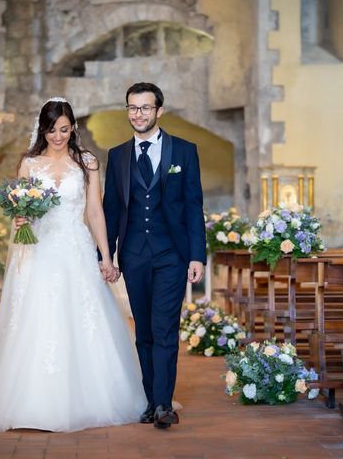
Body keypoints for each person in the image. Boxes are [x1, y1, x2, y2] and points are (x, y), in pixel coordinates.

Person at [0, 98, 147, 432]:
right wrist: (20, 217)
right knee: (42, 318)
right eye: (51, 130)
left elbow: (95, 212)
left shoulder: (88, 162)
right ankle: (32, 403)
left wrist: (107, 258)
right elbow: (23, 216)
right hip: (42, 250)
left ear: (73, 127)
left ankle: (93, 398)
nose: (58, 136)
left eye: (64, 129)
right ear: (42, 129)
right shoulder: (29, 164)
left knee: (85, 316)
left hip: (77, 248)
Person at [102, 82, 206, 429]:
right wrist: (106, 256)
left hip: (171, 255)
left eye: (145, 108)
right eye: (133, 108)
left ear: (159, 111)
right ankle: (149, 401)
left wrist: (197, 256)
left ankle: (163, 403)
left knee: (164, 329)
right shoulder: (117, 155)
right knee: (143, 332)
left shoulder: (184, 151)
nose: (138, 114)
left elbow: (193, 206)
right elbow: (112, 209)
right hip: (133, 255)